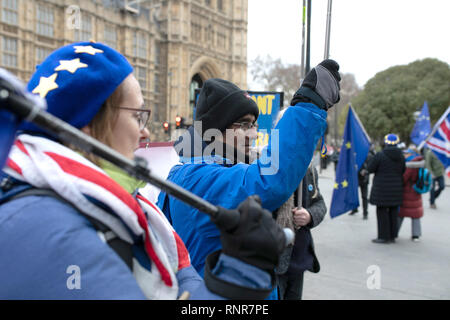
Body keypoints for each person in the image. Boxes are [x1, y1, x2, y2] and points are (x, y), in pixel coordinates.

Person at [0, 42, 286, 299]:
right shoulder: (53, 228)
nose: (146, 132)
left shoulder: (124, 204)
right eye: (138, 116)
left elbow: (182, 280)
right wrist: (238, 276)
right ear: (87, 124)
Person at [158, 59, 341, 284]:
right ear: (213, 131)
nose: (253, 134)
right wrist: (309, 105)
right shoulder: (198, 176)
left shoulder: (202, 169)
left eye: (253, 124)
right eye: (243, 125)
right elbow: (267, 181)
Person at [269, 108, 326, 300]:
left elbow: (320, 204)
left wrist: (309, 216)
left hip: (299, 259)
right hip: (272, 259)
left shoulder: (309, 169)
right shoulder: (265, 165)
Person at [368, 133, 406, 244]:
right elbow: (403, 170)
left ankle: (383, 236)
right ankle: (393, 236)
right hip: (396, 189)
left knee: (382, 213)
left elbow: (371, 168)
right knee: (394, 212)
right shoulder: (401, 156)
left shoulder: (380, 155)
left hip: (382, 190)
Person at [397, 148, 425, 242]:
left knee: (401, 213)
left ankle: (395, 231)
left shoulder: (410, 164)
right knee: (415, 214)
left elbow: (404, 178)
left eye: (406, 153)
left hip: (407, 191)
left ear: (411, 154)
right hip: (416, 191)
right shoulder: (420, 162)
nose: (404, 154)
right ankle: (416, 235)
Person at [349, 146, 375, 219]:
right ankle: (354, 209)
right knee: (354, 194)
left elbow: (371, 166)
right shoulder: (354, 154)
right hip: (355, 178)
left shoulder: (368, 155)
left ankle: (365, 212)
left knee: (364, 196)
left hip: (364, 179)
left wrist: (365, 171)